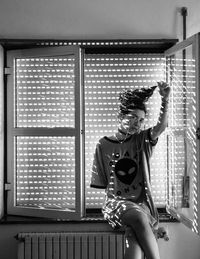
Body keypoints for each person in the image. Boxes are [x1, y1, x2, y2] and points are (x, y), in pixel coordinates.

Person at [90, 81, 171, 259]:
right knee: (139, 220)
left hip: (142, 205)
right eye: (133, 118)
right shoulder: (103, 144)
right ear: (121, 117)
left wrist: (165, 100)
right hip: (117, 204)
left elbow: (161, 127)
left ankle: (148, 229)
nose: (137, 124)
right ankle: (152, 231)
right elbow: (105, 184)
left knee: (134, 235)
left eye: (141, 120)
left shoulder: (142, 140)